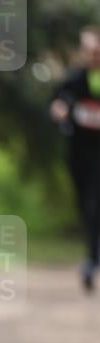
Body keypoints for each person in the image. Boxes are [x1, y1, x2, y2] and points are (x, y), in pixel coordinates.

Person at [49, 26, 100, 291]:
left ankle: (92, 260)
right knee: (86, 205)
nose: (93, 54)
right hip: (80, 151)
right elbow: (60, 100)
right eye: (89, 50)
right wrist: (59, 109)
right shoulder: (76, 77)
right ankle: (93, 256)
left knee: (94, 204)